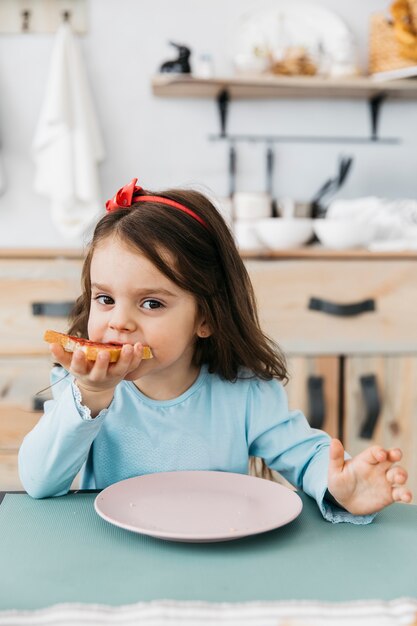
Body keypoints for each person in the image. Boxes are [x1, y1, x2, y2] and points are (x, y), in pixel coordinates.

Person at [19, 178, 412, 523]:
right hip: (119, 556)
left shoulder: (244, 394)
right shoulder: (83, 393)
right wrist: (90, 396)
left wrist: (340, 484)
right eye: (104, 298)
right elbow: (38, 482)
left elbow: (305, 455)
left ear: (205, 317)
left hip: (222, 553)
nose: (118, 322)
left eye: (151, 303)